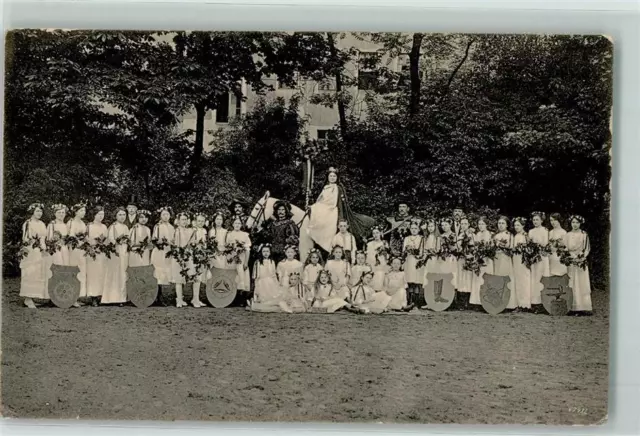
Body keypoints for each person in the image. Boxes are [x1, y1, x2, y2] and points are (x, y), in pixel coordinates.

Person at [307, 167, 375, 253]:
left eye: (334, 176)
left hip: (333, 209)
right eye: (330, 176)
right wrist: (313, 207)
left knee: (330, 224)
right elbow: (321, 200)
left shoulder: (338, 188)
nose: (332, 178)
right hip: (324, 208)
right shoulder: (325, 188)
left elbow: (336, 202)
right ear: (328, 177)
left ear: (337, 178)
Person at [19, 203, 48, 308]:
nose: (39, 213)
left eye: (41, 211)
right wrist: (32, 243)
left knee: (37, 273)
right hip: (30, 251)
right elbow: (25, 239)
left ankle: (33, 296)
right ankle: (27, 298)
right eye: (37, 211)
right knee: (29, 273)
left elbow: (43, 239)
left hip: (39, 252)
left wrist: (43, 248)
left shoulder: (42, 224)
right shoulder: (27, 223)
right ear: (32, 212)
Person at [101, 208, 130, 305]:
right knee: (116, 274)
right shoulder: (113, 227)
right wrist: (117, 242)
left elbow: (128, 239)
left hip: (124, 251)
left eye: (124, 215)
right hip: (116, 252)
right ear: (116, 216)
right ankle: (113, 298)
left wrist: (126, 243)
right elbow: (110, 240)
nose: (122, 217)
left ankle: (123, 297)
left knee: (123, 273)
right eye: (120, 215)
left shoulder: (126, 227)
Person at [564, 215, 592, 315]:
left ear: (580, 224)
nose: (575, 225)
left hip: (580, 262)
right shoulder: (567, 235)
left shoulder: (584, 234)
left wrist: (582, 258)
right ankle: (572, 306)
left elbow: (587, 248)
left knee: (581, 283)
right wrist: (569, 256)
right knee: (571, 282)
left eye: (577, 222)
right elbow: (565, 248)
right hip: (571, 261)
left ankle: (582, 307)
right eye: (573, 222)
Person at [85, 206, 109, 307]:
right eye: (99, 214)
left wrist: (104, 244)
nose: (101, 216)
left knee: (101, 274)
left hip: (102, 253)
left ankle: (101, 296)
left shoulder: (104, 227)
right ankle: (93, 297)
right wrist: (93, 244)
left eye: (102, 214)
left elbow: (107, 239)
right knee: (93, 274)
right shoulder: (89, 226)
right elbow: (85, 238)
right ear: (94, 215)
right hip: (93, 253)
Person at [151, 206, 174, 306]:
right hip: (160, 251)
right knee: (158, 271)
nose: (165, 216)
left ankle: (163, 295)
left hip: (168, 252)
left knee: (166, 272)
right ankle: (157, 296)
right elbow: (154, 239)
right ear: (160, 215)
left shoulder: (171, 227)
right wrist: (161, 242)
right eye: (163, 214)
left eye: (167, 214)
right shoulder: (158, 226)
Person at [170, 212, 195, 308]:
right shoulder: (177, 231)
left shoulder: (190, 230)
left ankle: (182, 298)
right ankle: (179, 299)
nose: (184, 221)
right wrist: (179, 254)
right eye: (182, 220)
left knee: (185, 276)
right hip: (179, 255)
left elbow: (191, 243)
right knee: (178, 278)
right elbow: (176, 244)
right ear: (178, 221)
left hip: (187, 254)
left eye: (185, 219)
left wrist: (192, 244)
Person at [493, 216, 517, 310]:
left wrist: (500, 245)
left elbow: (510, 248)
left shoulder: (509, 235)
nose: (501, 225)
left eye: (503, 223)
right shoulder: (495, 236)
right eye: (499, 223)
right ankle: (499, 303)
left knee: (506, 279)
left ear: (507, 225)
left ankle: (509, 304)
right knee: (498, 279)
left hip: (505, 259)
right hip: (497, 259)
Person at [470, 217, 495, 309]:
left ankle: (486, 301)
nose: (480, 226)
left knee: (486, 279)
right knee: (478, 279)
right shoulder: (477, 235)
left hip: (487, 260)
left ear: (486, 225)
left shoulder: (490, 234)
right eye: (479, 224)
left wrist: (486, 252)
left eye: (482, 224)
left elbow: (492, 248)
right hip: (478, 259)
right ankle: (477, 302)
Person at [227, 216, 252, 304]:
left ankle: (242, 299)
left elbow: (247, 250)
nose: (237, 225)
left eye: (239, 223)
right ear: (233, 224)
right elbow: (227, 248)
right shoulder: (229, 234)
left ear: (241, 225)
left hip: (241, 259)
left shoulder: (245, 235)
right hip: (232, 259)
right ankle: (232, 299)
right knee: (233, 277)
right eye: (235, 223)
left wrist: (246, 262)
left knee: (242, 277)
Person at [67, 202, 88, 307]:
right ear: (75, 212)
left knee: (81, 272)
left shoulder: (83, 223)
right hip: (74, 250)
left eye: (84, 211)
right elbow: (70, 237)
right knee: (74, 272)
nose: (83, 213)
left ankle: (77, 296)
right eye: (81, 211)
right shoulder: (71, 222)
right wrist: (78, 242)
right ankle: (72, 297)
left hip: (82, 250)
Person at [529, 212, 550, 312]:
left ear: (542, 220)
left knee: (542, 277)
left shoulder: (545, 230)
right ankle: (535, 303)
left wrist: (539, 246)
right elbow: (529, 244)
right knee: (534, 279)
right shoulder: (531, 231)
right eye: (534, 220)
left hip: (542, 257)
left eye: (537, 220)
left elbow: (546, 243)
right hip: (534, 258)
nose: (535, 222)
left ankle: (544, 303)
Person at [403, 219, 424, 308]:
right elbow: (403, 250)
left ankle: (417, 300)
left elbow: (422, 250)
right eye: (412, 228)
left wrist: (419, 256)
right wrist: (408, 250)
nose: (414, 230)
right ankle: (410, 299)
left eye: (416, 228)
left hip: (417, 261)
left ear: (419, 229)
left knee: (417, 280)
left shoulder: (421, 238)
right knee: (410, 280)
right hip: (409, 260)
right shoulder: (407, 238)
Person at [190, 212, 209, 308]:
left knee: (201, 277)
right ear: (195, 221)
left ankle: (196, 298)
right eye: (199, 221)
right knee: (196, 277)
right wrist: (197, 242)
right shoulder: (193, 230)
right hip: (195, 254)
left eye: (202, 221)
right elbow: (190, 242)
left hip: (203, 254)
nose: (200, 222)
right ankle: (195, 299)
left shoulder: (205, 231)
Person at [511, 217, 531, 311]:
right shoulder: (515, 236)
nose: (516, 227)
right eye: (515, 225)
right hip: (516, 259)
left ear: (523, 225)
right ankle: (518, 303)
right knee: (517, 280)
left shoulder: (525, 235)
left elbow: (530, 249)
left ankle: (525, 304)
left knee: (524, 280)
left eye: (518, 225)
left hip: (523, 260)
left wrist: (523, 250)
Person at [366, 226, 389, 292]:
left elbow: (386, 257)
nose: (375, 235)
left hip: (381, 265)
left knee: (380, 278)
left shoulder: (384, 243)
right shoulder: (369, 244)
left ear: (381, 233)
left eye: (377, 233)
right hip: (371, 265)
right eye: (374, 233)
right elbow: (368, 256)